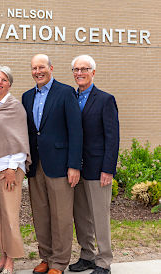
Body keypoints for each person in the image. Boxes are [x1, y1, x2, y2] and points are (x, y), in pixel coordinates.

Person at [21, 54, 83, 274]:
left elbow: (76, 131)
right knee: (41, 214)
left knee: (61, 216)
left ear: (51, 68)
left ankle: (59, 262)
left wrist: (74, 165)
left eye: (42, 67)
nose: (38, 71)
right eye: (34, 67)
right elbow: (29, 131)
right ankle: (45, 257)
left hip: (60, 165)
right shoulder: (27, 96)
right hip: (36, 164)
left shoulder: (66, 93)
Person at [68, 55, 119, 274]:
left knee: (99, 216)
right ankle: (87, 255)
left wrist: (108, 168)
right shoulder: (69, 97)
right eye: (76, 69)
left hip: (98, 169)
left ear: (93, 72)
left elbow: (113, 137)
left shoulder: (105, 99)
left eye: (84, 69)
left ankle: (104, 260)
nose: (80, 73)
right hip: (75, 168)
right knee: (80, 216)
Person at [0, 65, 31, 274]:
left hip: (8, 169)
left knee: (9, 215)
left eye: (4, 80)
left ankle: (11, 259)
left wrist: (12, 167)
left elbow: (20, 138)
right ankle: (2, 254)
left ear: (9, 84)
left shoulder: (15, 107)